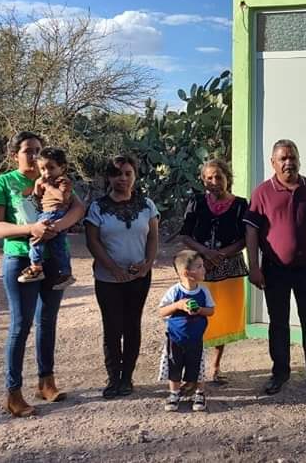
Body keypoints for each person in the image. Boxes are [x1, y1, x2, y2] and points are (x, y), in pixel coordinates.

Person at [0, 131, 86, 417]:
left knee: (48, 321)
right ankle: (13, 392)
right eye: (28, 150)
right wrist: (32, 230)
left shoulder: (53, 177)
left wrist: (58, 226)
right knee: (21, 325)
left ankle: (46, 382)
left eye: (38, 149)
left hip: (55, 259)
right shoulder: (2, 183)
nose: (34, 155)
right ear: (14, 153)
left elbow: (78, 208)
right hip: (20, 259)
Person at [244, 139, 306, 396]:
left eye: (292, 157)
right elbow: (251, 232)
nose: (288, 162)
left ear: (299, 159)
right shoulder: (262, 193)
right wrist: (253, 266)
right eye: (282, 158)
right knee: (278, 323)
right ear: (272, 163)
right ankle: (280, 372)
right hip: (275, 269)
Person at [84, 155, 159, 399]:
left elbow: (152, 237)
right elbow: (92, 241)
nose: (123, 178)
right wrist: (113, 269)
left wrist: (147, 264)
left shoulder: (147, 205)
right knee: (112, 327)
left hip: (139, 277)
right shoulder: (98, 207)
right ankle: (113, 378)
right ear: (109, 177)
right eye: (117, 174)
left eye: (128, 173)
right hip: (108, 279)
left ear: (135, 175)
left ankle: (127, 378)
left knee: (132, 325)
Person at [180, 159, 248, 384]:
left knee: (222, 316)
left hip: (230, 269)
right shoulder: (196, 202)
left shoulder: (240, 205)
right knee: (196, 314)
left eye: (219, 177)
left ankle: (215, 367)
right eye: (209, 178)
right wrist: (205, 254)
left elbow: (245, 239)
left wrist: (221, 254)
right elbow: (186, 234)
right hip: (201, 268)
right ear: (203, 180)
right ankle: (193, 367)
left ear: (228, 178)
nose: (214, 182)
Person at [158, 249, 215, 412]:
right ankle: (174, 393)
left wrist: (199, 310)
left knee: (197, 366)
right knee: (174, 366)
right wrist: (178, 305)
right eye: (200, 266)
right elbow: (162, 311)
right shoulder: (175, 291)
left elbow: (211, 311)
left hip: (196, 338)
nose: (204, 269)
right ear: (187, 272)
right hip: (175, 338)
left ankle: (199, 393)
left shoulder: (203, 291)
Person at [18, 147, 75, 289]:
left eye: (51, 168)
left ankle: (36, 267)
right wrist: (38, 186)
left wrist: (48, 186)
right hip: (46, 212)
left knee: (36, 238)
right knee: (57, 246)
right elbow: (37, 198)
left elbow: (62, 197)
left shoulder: (63, 181)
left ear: (62, 167)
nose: (47, 172)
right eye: (43, 169)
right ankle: (65, 273)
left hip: (54, 212)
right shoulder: (44, 181)